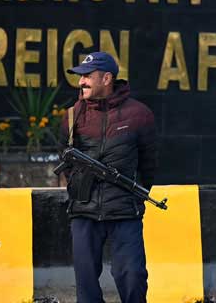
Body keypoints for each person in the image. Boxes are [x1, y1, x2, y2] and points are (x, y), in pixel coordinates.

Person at [59, 51, 156, 303]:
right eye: (80, 77)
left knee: (133, 276)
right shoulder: (72, 115)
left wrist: (132, 196)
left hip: (124, 211)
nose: (81, 82)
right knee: (86, 287)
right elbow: (66, 160)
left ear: (106, 78)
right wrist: (82, 186)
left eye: (87, 77)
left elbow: (149, 164)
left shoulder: (139, 115)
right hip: (83, 211)